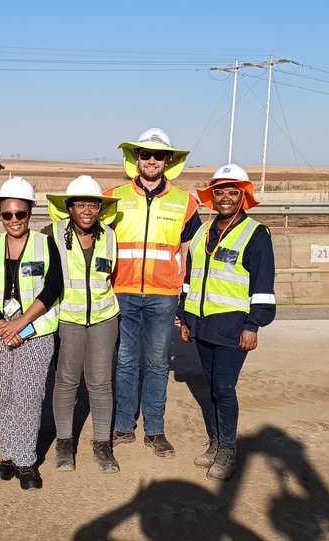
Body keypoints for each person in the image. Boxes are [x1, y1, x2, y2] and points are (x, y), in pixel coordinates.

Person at [105, 128, 201, 458]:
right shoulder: (113, 196)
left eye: (158, 155)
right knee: (126, 360)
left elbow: (191, 253)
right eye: (144, 154)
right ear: (135, 158)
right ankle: (122, 426)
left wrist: (185, 298)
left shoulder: (184, 202)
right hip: (123, 291)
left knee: (158, 363)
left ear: (168, 160)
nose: (151, 160)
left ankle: (155, 431)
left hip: (163, 295)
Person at [178, 163, 276, 481]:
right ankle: (216, 442)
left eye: (233, 192)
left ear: (243, 196)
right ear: (212, 196)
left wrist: (253, 325)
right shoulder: (202, 234)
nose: (225, 198)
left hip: (234, 327)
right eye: (219, 191)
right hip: (203, 325)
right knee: (210, 387)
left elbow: (263, 283)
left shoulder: (255, 234)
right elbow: (191, 280)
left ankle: (229, 450)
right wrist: (185, 317)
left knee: (224, 387)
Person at [0, 177, 62, 490]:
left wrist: (21, 324)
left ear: (30, 213)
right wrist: (0, 324)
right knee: (1, 396)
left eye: (19, 214)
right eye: (7, 214)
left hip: (34, 332)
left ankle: (26, 461)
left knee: (28, 396)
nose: (13, 221)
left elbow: (53, 288)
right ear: (0, 213)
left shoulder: (45, 243)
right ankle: (8, 454)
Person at [44, 175, 122, 474]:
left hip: (103, 318)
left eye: (93, 204)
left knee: (101, 383)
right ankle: (65, 444)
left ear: (100, 208)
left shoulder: (109, 236)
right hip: (67, 320)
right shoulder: (51, 234)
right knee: (66, 382)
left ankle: (103, 446)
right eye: (80, 204)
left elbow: (111, 276)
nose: (87, 210)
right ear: (70, 207)